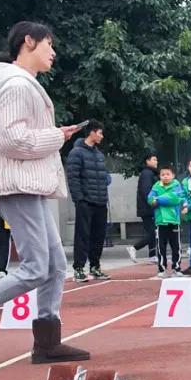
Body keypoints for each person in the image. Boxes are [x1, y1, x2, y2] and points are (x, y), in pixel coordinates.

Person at [0, 22, 90, 368]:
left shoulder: (20, 85)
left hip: (30, 181)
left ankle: (47, 341)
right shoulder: (16, 85)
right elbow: (11, 139)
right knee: (37, 267)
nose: (53, 52)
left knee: (54, 265)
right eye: (48, 44)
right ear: (28, 42)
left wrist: (57, 134)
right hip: (17, 182)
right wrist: (56, 137)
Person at [65, 121, 111, 283]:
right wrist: (79, 199)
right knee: (82, 235)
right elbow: (72, 177)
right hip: (85, 201)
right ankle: (78, 269)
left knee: (99, 236)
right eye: (100, 133)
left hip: (100, 201)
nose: (102, 136)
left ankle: (95, 266)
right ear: (92, 132)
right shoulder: (76, 153)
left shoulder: (99, 155)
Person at [148, 166, 186, 275]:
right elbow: (150, 199)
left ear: (173, 176)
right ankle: (161, 269)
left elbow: (174, 199)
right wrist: (155, 200)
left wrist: (158, 199)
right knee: (161, 247)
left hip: (174, 221)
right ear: (160, 176)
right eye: (163, 175)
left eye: (168, 174)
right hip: (160, 222)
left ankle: (176, 268)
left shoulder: (177, 185)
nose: (165, 176)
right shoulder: (156, 187)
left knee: (176, 247)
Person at [127, 152, 159, 265]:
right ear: (147, 161)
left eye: (156, 160)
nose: (156, 162)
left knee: (153, 232)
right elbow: (146, 191)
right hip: (147, 208)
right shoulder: (147, 174)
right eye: (154, 159)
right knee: (153, 233)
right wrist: (153, 203)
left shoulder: (151, 173)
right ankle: (134, 248)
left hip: (148, 208)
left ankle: (152, 255)